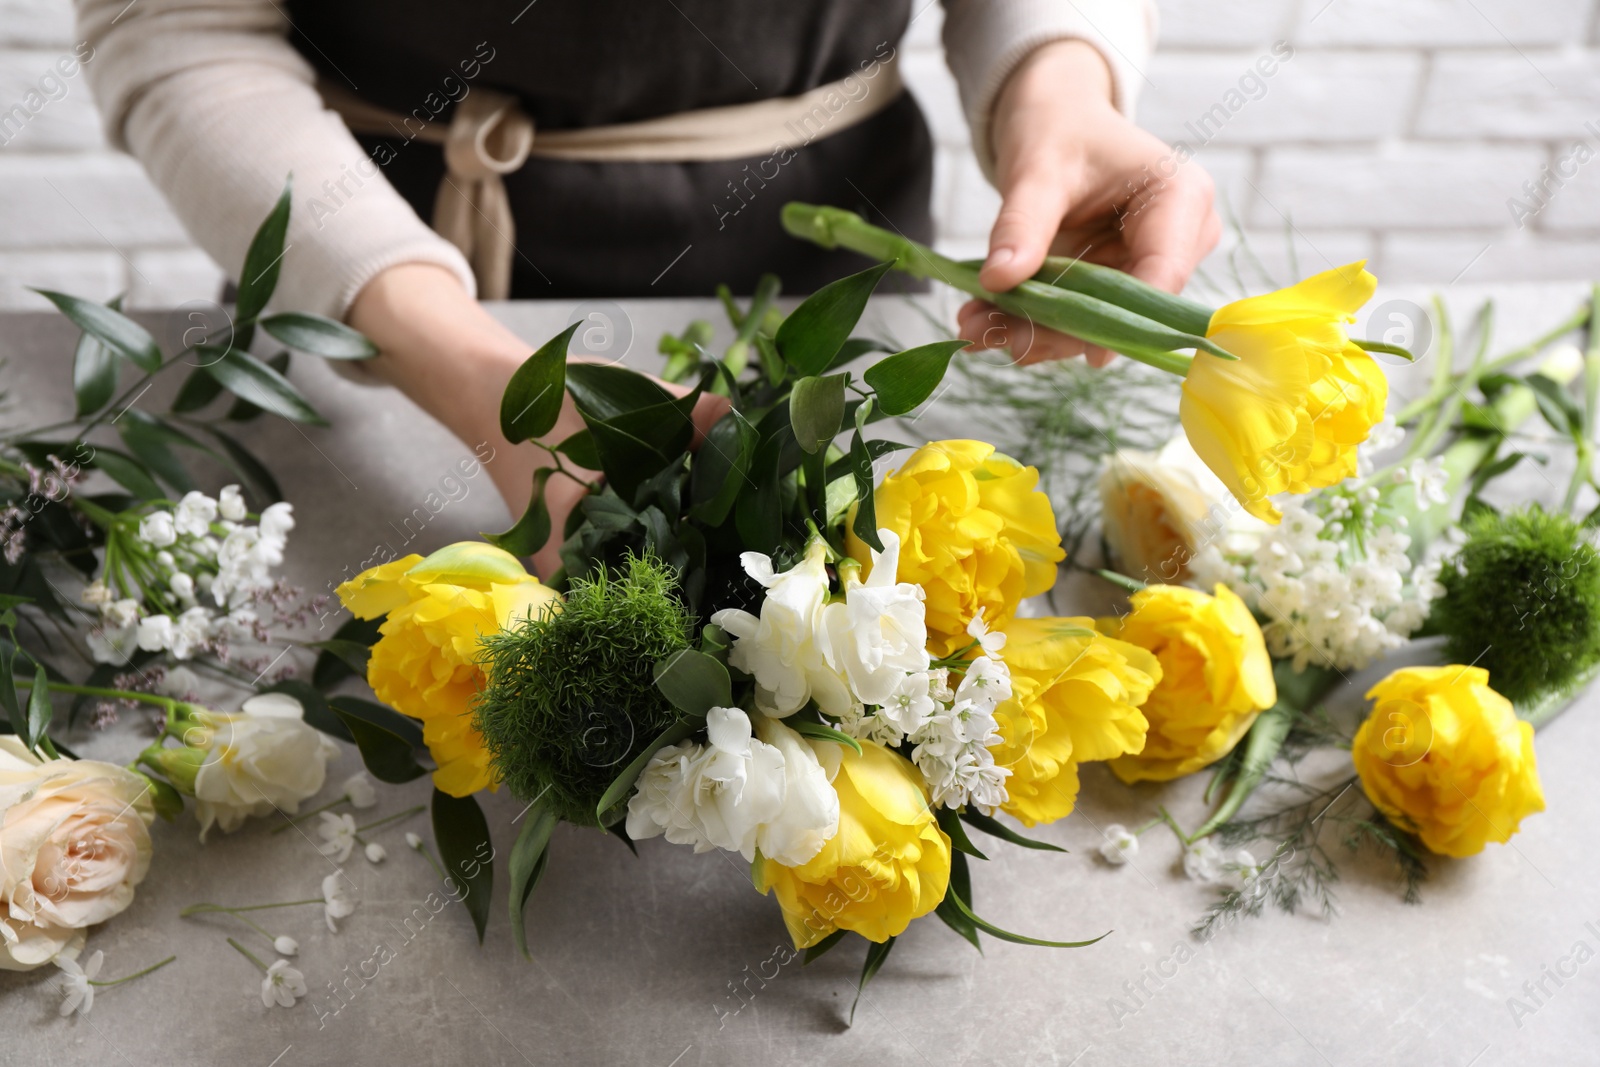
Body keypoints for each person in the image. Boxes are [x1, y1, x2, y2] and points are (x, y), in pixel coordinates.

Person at [77, 0, 1218, 577]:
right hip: (360, 271)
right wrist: (479, 376)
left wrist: (1059, 91)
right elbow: (178, 25)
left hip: (824, 261)